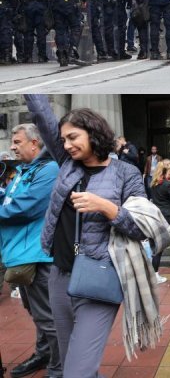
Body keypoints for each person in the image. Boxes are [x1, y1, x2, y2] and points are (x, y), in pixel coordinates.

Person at [24, 94, 167, 376]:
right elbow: (42, 116)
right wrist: (31, 87)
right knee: (72, 365)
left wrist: (107, 208)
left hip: (100, 275)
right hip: (60, 275)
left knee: (77, 371)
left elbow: (142, 227)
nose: (66, 145)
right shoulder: (67, 163)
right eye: (63, 139)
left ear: (93, 132)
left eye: (73, 137)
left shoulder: (126, 172)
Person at [2, 124, 62, 378]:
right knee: (36, 312)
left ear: (35, 143)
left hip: (37, 255)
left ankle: (59, 369)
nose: (12, 146)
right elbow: (9, 202)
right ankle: (43, 354)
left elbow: (22, 208)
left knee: (49, 317)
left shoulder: (49, 169)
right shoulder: (25, 170)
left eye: (17, 142)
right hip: (22, 253)